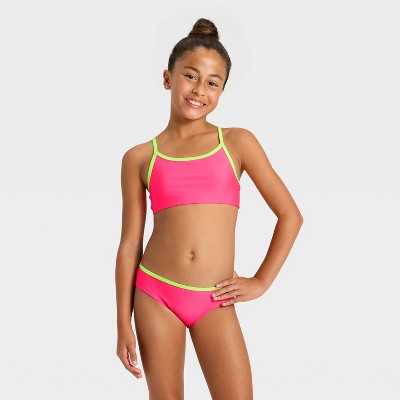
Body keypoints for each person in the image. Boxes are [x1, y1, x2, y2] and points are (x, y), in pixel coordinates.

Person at [115, 17, 303, 400]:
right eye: (190, 76)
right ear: (167, 78)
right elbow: (129, 244)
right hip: (155, 293)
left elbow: (290, 215)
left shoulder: (236, 143)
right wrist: (122, 323)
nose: (200, 90)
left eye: (213, 83)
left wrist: (261, 281)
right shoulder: (140, 157)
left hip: (214, 298)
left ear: (222, 91)